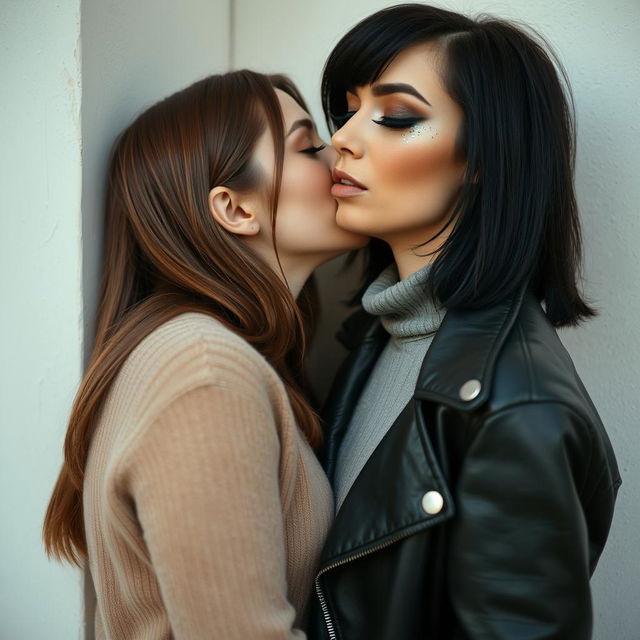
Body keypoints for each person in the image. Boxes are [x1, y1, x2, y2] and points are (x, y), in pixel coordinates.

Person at [309, 5, 621, 639]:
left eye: (395, 117)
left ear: (482, 157)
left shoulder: (518, 409)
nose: (342, 138)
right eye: (347, 110)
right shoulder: (375, 337)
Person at [43, 69, 367, 639]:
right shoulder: (207, 372)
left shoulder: (203, 355)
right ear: (235, 209)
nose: (336, 153)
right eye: (308, 146)